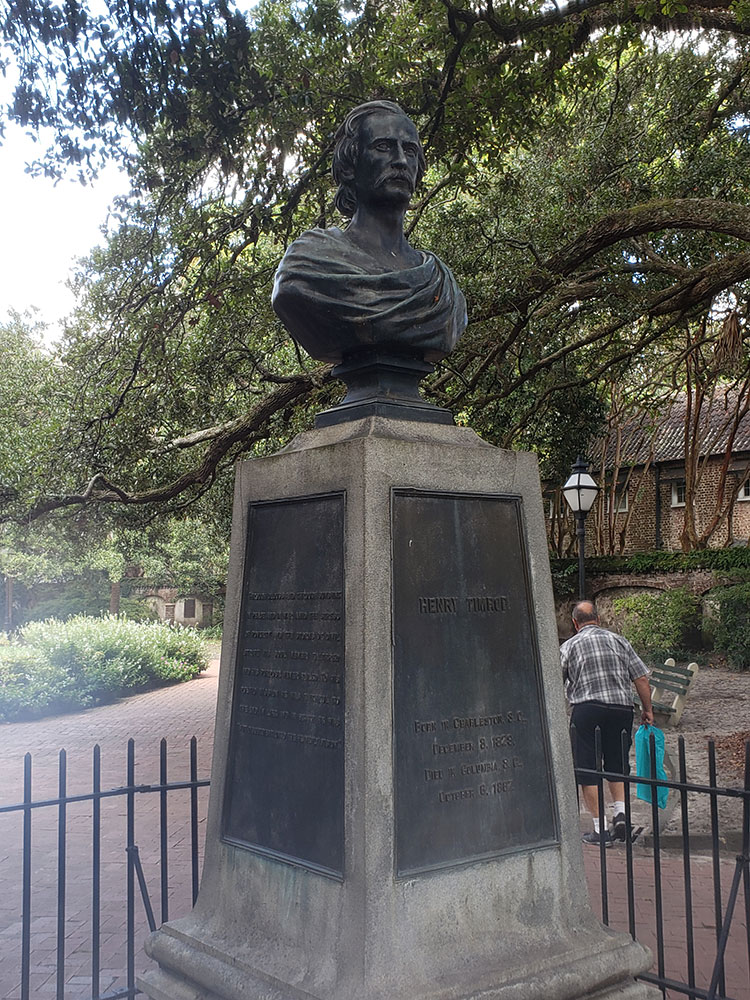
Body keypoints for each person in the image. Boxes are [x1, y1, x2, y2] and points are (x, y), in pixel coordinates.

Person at [271, 100, 467, 365]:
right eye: (383, 147)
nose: (400, 160)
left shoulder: (440, 285)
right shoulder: (310, 263)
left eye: (409, 150)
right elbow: (289, 293)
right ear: (351, 165)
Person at [560, 600, 654, 846]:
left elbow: (556, 682)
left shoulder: (569, 646)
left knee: (588, 768)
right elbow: (641, 678)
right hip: (620, 709)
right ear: (598, 619)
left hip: (587, 709)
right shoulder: (619, 641)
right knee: (617, 763)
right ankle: (621, 814)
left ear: (574, 623)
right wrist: (647, 710)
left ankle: (600, 830)